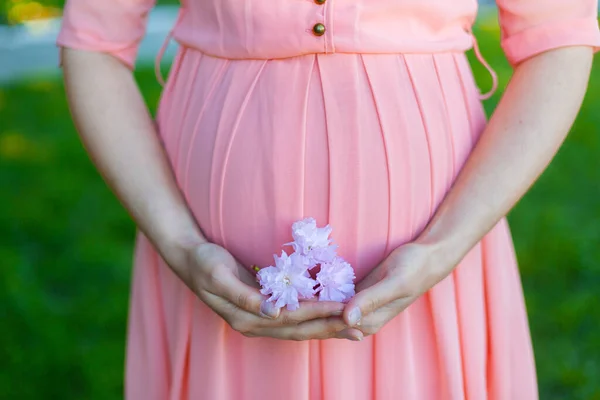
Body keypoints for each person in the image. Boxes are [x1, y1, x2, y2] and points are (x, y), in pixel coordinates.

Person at [57, 0, 600, 398]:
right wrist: (180, 246)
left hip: (441, 255)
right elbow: (94, 41)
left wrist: (445, 245)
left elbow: (557, 35)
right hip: (206, 274)